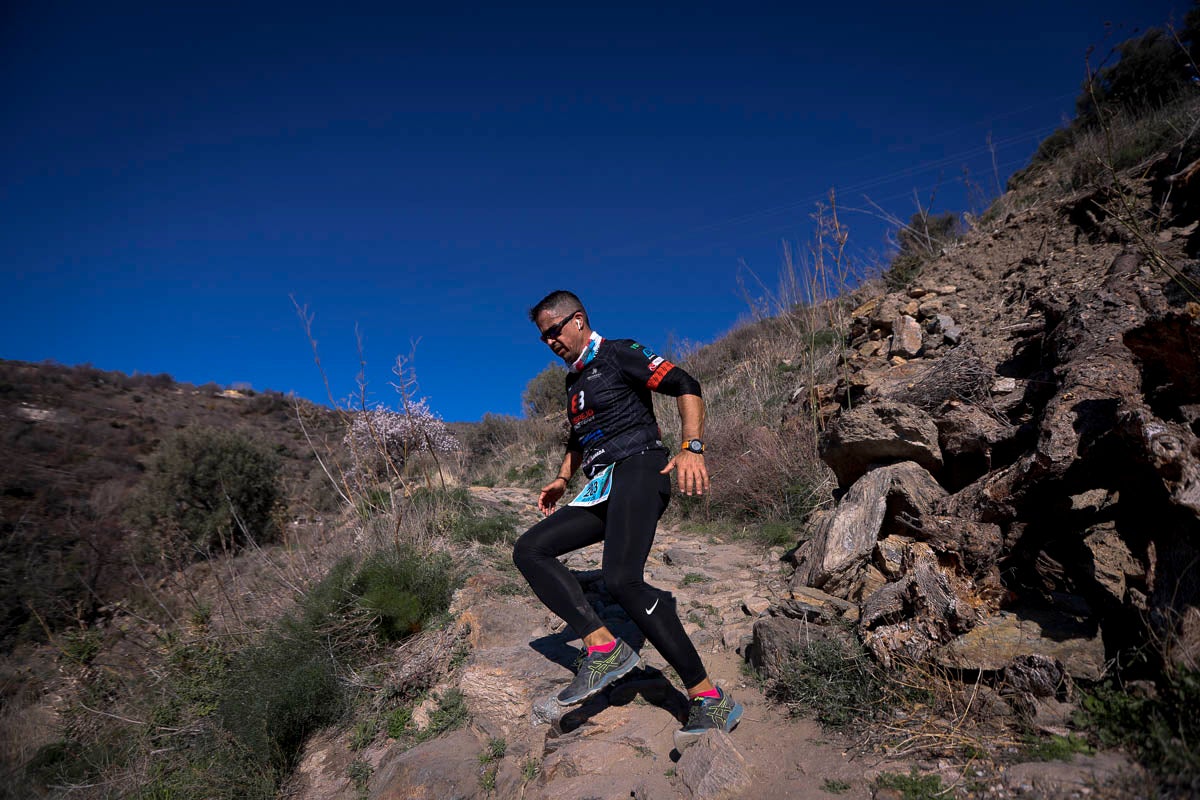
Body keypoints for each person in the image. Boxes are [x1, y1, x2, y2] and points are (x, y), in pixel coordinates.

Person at [512, 290, 742, 751]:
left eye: (554, 331)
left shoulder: (620, 352)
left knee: (621, 579)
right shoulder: (572, 383)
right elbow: (578, 438)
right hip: (599, 486)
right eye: (543, 338)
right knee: (529, 550)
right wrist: (562, 478)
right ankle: (603, 646)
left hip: (640, 468)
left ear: (577, 320)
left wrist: (691, 446)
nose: (550, 341)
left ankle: (709, 697)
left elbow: (686, 383)